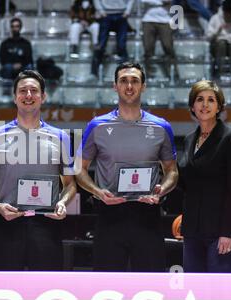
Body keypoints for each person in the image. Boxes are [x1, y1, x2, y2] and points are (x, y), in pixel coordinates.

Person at [75, 61, 178, 272]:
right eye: (123, 81)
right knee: (107, 287)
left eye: (134, 81)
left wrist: (161, 190)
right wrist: (97, 192)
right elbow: (79, 169)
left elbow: (172, 171)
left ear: (143, 86)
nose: (129, 86)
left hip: (147, 214)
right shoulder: (97, 125)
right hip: (109, 214)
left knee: (151, 288)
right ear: (115, 86)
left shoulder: (161, 126)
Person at [0, 70, 77, 271]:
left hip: (47, 224)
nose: (28, 95)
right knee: (4, 293)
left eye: (34, 90)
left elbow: (70, 184)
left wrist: (63, 203)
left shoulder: (61, 137)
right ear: (14, 97)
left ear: (43, 97)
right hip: (8, 224)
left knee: (46, 292)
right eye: (22, 91)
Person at [179, 80, 231, 272]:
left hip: (221, 232)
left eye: (211, 100)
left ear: (219, 106)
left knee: (221, 292)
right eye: (200, 99)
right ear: (192, 106)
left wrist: (228, 232)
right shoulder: (189, 139)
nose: (205, 105)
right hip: (193, 231)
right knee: (196, 291)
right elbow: (189, 183)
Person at [91, 0, 134, 77]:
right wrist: (101, 11)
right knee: (101, 45)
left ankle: (125, 73)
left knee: (122, 45)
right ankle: (94, 73)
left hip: (121, 14)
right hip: (106, 15)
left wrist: (127, 11)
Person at [206, 0, 231, 78]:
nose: (228, 16)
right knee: (222, 44)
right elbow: (208, 37)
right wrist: (217, 31)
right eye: (226, 14)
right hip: (218, 44)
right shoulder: (215, 18)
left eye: (230, 14)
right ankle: (221, 72)